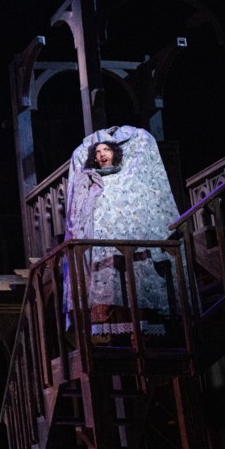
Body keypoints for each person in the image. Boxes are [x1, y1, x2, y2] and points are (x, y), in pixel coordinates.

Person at [63, 126, 181, 344]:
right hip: (104, 246)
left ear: (115, 153)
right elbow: (80, 209)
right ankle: (107, 331)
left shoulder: (129, 178)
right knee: (109, 282)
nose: (102, 154)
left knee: (134, 278)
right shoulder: (90, 179)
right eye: (97, 152)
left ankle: (141, 330)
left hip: (130, 245)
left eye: (106, 150)